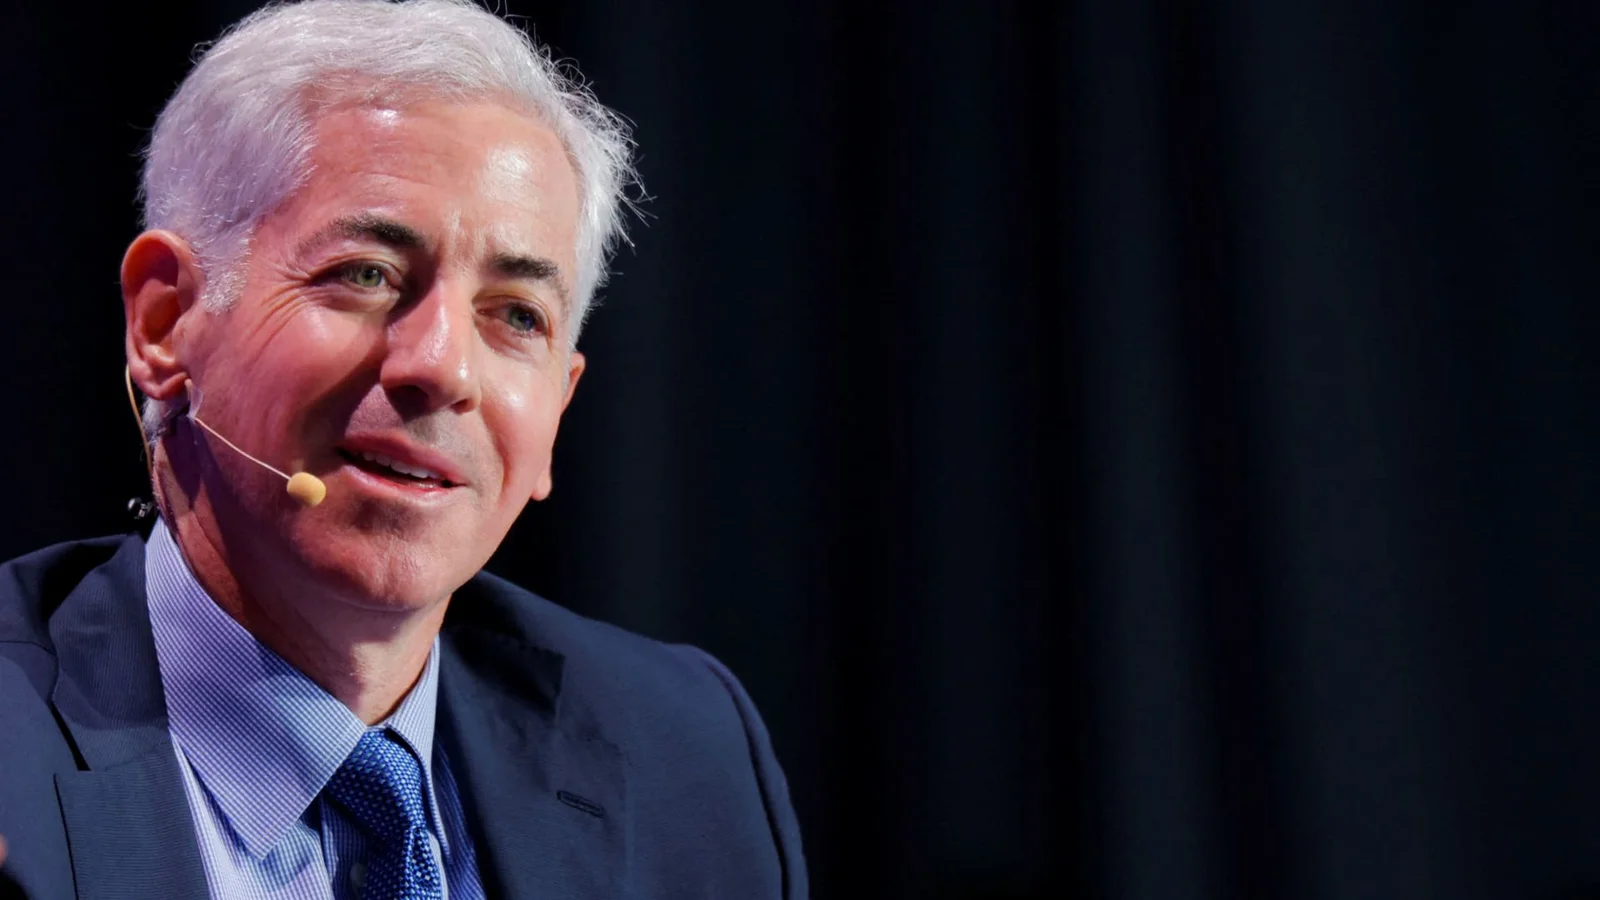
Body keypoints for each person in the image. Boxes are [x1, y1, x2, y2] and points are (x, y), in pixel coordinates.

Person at [0, 1, 807, 897]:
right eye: (367, 275)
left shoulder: (686, 758)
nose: (442, 367)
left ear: (558, 409)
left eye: (516, 316)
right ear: (165, 323)